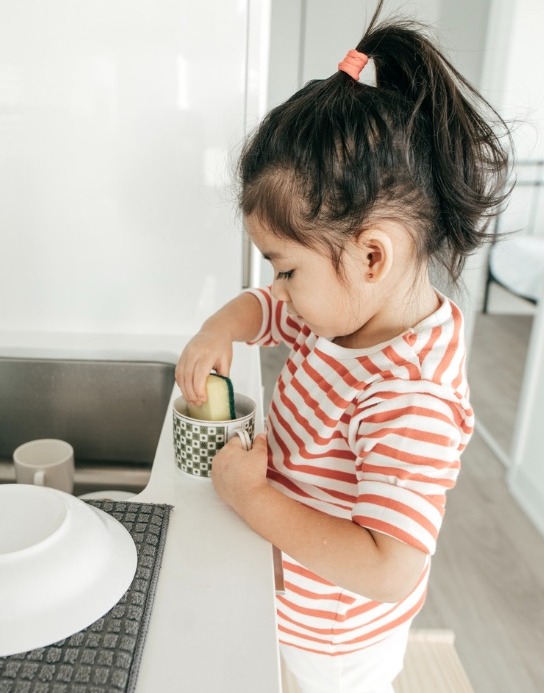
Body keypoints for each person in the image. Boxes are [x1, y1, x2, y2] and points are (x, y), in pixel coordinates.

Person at [176, 1, 510, 690]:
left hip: (339, 639)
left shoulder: (408, 394)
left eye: (286, 267)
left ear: (371, 255)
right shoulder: (351, 313)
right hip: (303, 600)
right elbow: (269, 312)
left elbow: (390, 567)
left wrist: (251, 498)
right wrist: (222, 326)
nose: (280, 288)